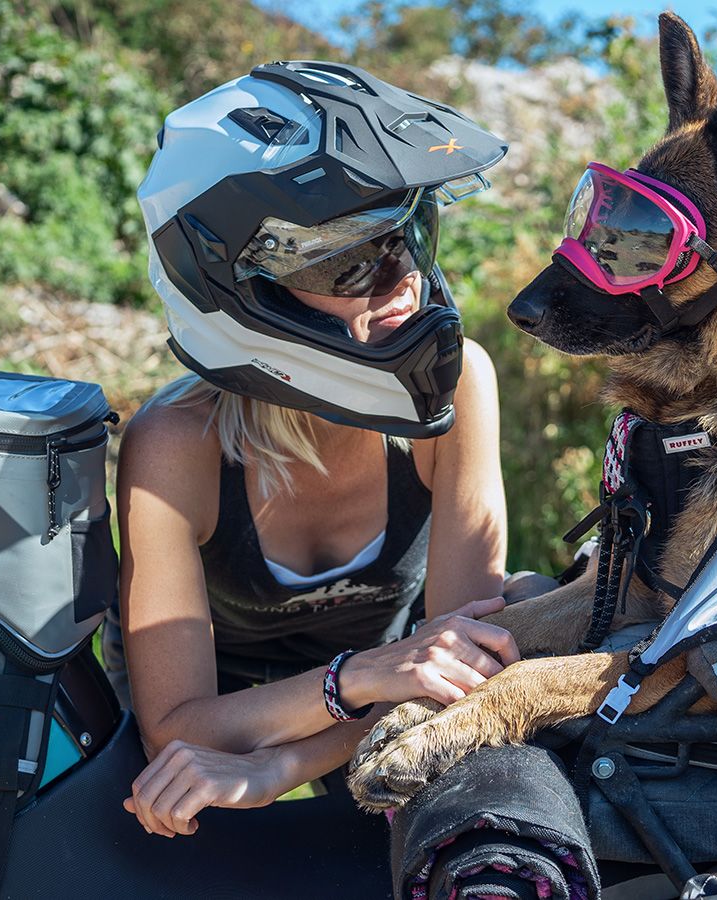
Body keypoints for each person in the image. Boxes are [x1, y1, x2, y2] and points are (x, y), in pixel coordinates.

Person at [107, 61, 519, 839]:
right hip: (251, 700)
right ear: (239, 287)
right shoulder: (174, 447)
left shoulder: (458, 387)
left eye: (409, 235)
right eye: (351, 259)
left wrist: (283, 766)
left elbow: (468, 668)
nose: (405, 280)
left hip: (381, 691)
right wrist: (359, 678)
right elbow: (180, 730)